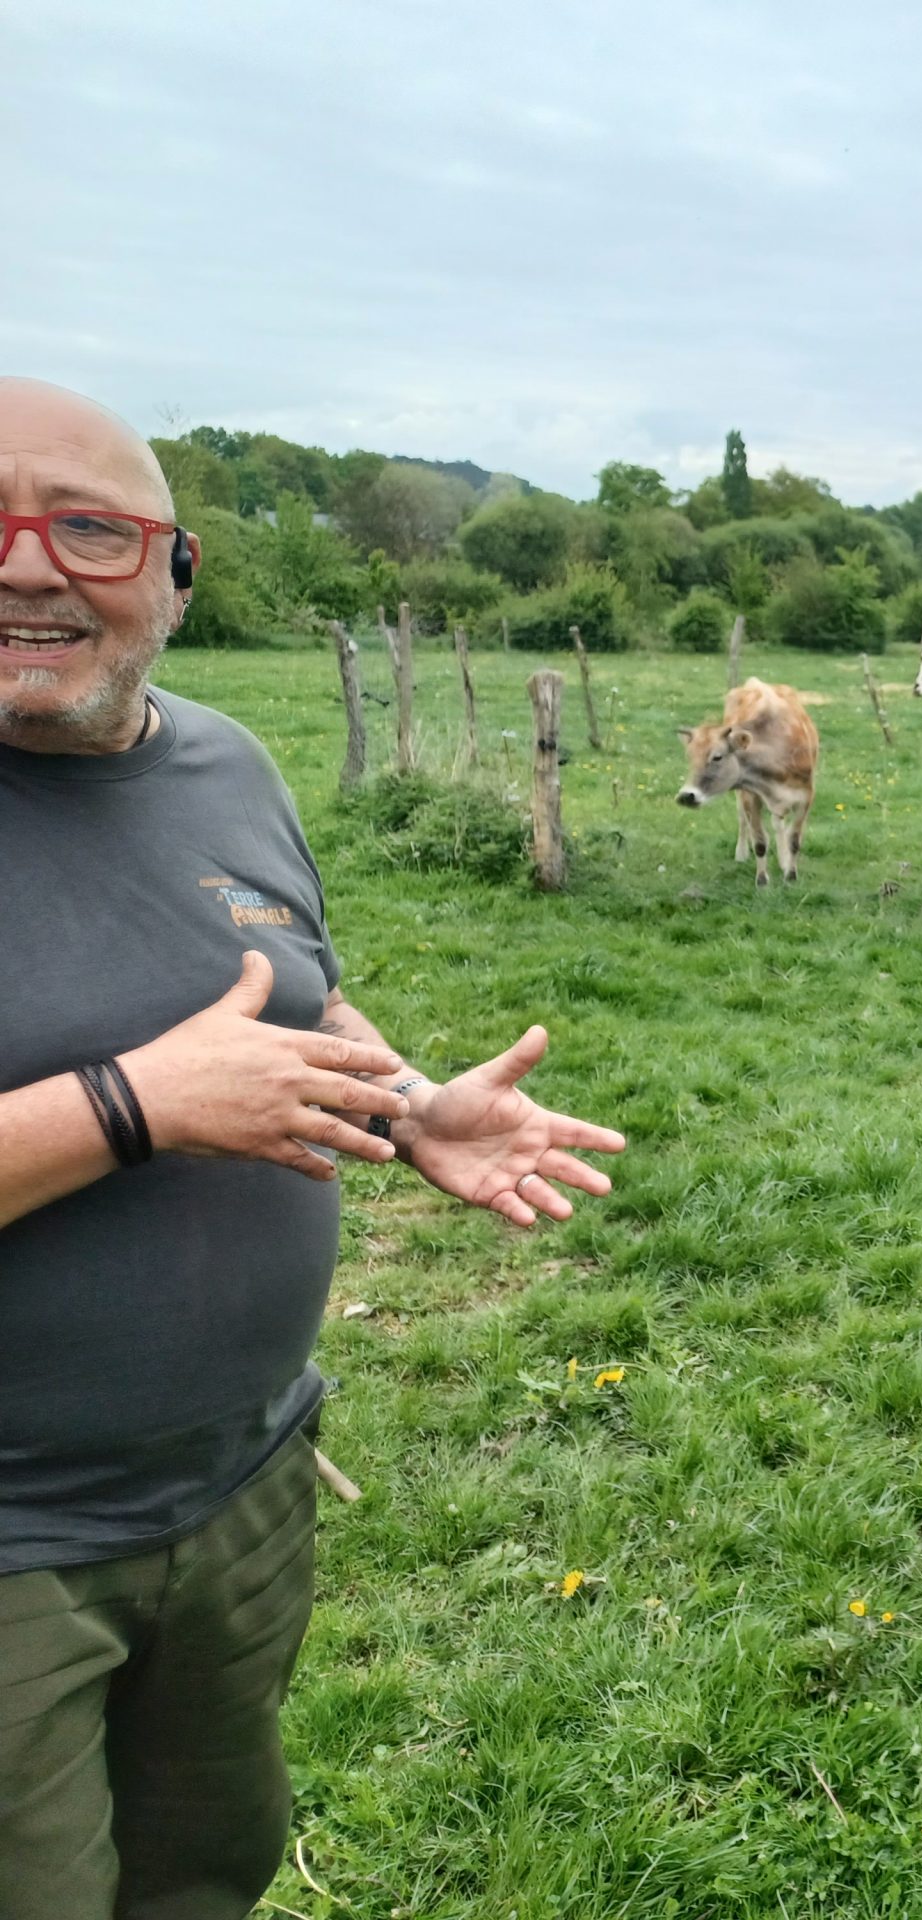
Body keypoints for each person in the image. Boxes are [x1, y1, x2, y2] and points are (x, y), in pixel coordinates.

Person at [0, 378, 627, 1919]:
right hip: (15, 1548)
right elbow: (185, 1072)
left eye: (88, 528)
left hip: (239, 1490)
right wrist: (134, 1105)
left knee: (204, 1877)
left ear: (176, 572)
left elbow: (293, 988)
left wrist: (409, 1106)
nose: (27, 566)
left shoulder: (224, 765)